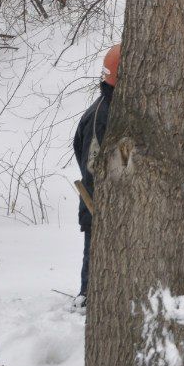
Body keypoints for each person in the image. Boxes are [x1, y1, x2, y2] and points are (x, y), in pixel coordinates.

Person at [72, 43, 119, 308]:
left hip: (113, 200)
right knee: (96, 253)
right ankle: (88, 298)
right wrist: (101, 206)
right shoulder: (102, 115)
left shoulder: (114, 107)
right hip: (97, 201)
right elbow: (92, 166)